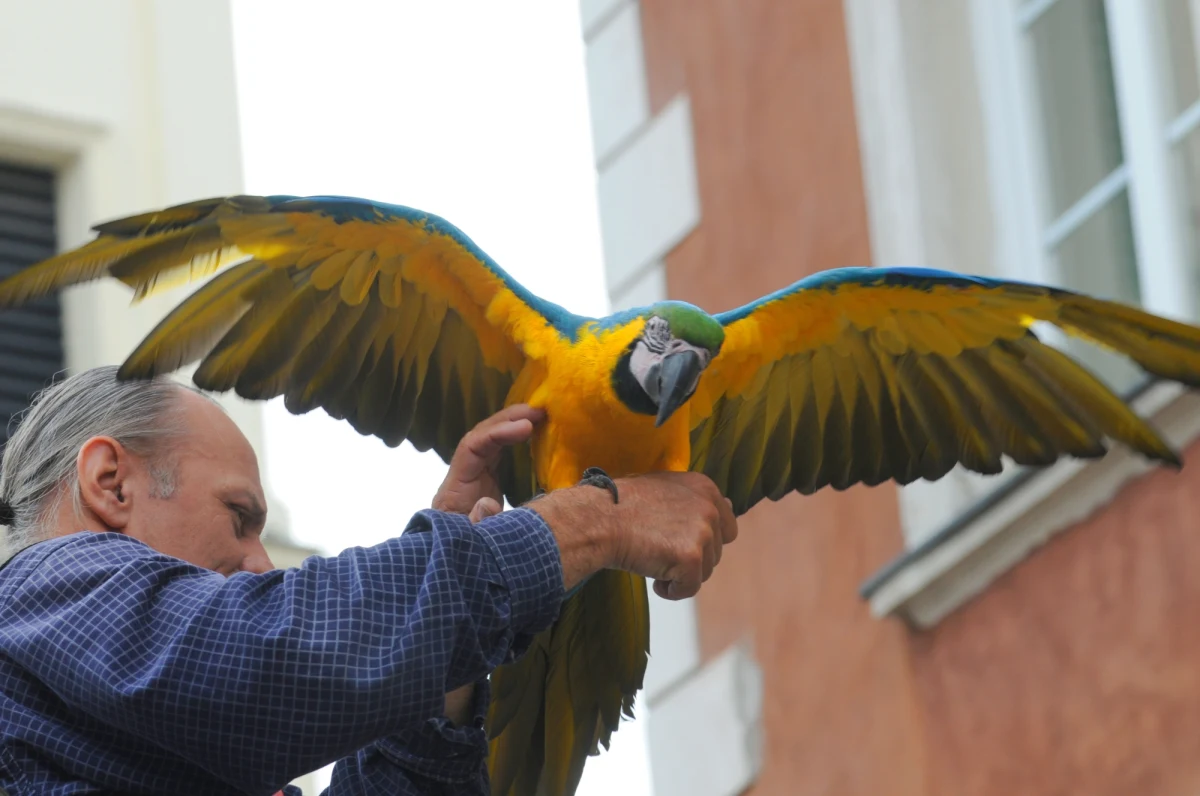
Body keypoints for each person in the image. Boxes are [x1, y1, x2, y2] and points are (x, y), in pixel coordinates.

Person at [0, 366, 739, 796]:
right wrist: (593, 522)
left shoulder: (162, 732)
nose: (261, 562)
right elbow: (266, 657)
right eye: (238, 517)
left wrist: (447, 666)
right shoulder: (44, 594)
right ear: (110, 484)